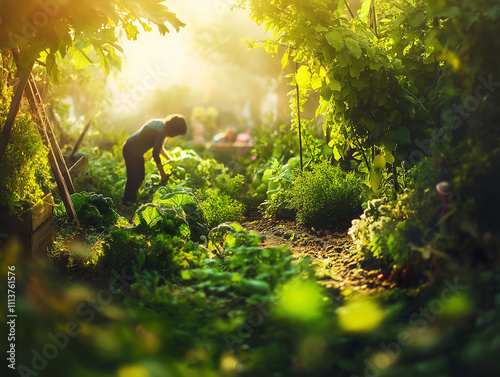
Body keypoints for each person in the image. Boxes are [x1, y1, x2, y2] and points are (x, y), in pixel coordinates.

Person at [122, 114, 187, 205]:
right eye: (177, 133)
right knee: (134, 177)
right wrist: (162, 174)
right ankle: (127, 201)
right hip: (131, 150)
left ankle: (131, 200)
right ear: (173, 130)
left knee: (139, 177)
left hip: (133, 150)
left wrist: (169, 158)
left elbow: (159, 148)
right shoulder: (161, 132)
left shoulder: (161, 124)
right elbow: (155, 154)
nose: (175, 136)